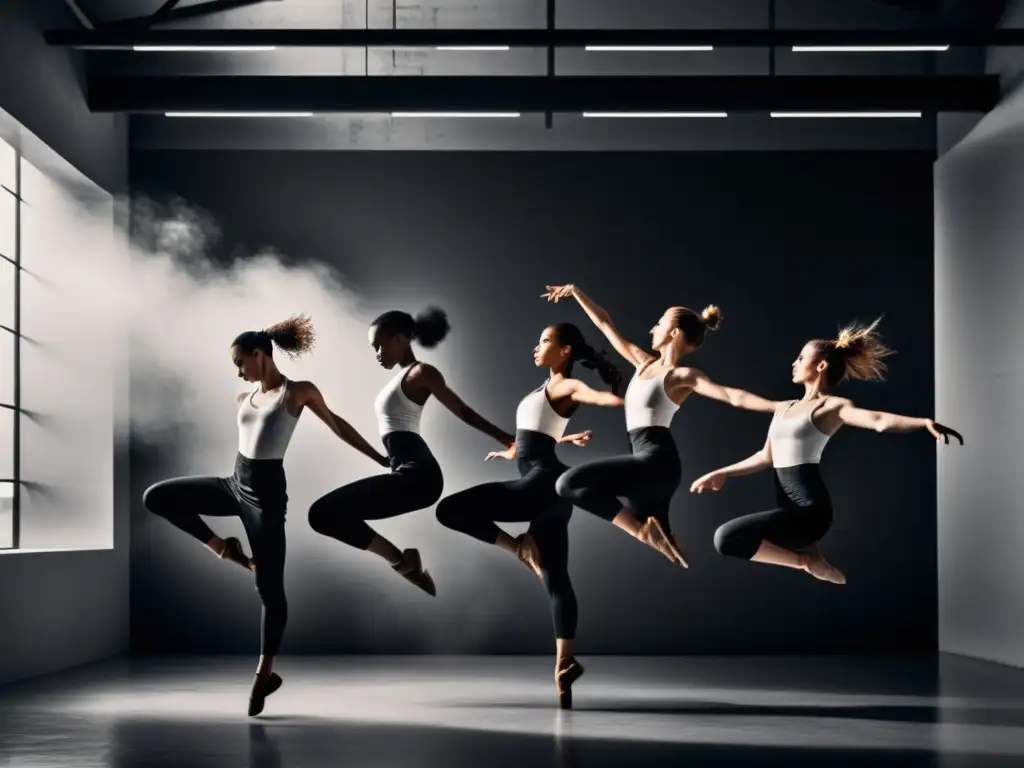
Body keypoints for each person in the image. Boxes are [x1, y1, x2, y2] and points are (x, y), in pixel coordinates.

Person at [142, 314, 387, 716]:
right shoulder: (243, 399)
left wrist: (378, 456)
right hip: (233, 484)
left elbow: (337, 425)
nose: (237, 372)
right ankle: (224, 548)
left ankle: (264, 674)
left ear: (260, 355)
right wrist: (222, 535)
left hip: (267, 501)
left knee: (270, 593)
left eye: (240, 362)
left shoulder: (299, 392)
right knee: (158, 497)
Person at [435, 322, 624, 709]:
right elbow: (538, 437)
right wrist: (518, 450)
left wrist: (618, 389)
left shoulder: (564, 385)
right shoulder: (546, 390)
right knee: (556, 580)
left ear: (566, 350)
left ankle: (518, 548)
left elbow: (607, 401)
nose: (535, 347)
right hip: (554, 493)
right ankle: (564, 663)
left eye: (544, 341)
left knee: (449, 509)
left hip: (539, 485)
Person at [691, 317, 963, 584]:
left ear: (820, 365)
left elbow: (878, 421)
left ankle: (807, 561)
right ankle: (811, 556)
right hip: (789, 511)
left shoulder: (831, 407)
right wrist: (720, 471)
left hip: (811, 513)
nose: (794, 363)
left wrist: (923, 422)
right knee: (731, 540)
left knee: (726, 537)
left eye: (800, 358)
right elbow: (765, 456)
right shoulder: (783, 408)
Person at [544, 284, 778, 568]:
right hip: (646, 466)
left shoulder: (682, 375)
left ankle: (645, 533)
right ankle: (658, 534)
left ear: (674, 332)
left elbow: (732, 395)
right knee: (666, 543)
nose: (652, 328)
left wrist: (779, 406)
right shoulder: (642, 363)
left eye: (659, 323)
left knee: (568, 484)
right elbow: (605, 323)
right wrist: (576, 292)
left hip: (656, 463)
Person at [307, 307, 516, 596]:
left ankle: (404, 566)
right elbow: (385, 440)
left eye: (379, 345)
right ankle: (405, 565)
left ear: (400, 339)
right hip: (404, 470)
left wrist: (508, 440)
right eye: (373, 348)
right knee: (324, 515)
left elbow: (464, 412)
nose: (377, 353)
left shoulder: (421, 372)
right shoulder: (395, 381)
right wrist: (380, 459)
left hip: (420, 476)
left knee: (323, 513)